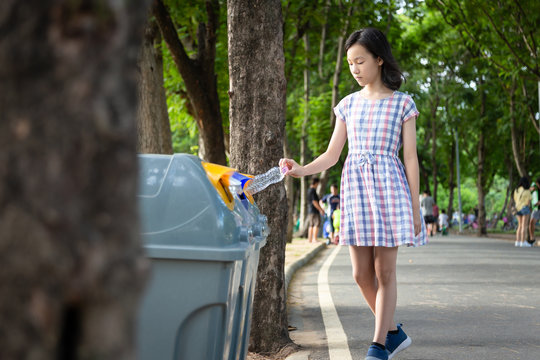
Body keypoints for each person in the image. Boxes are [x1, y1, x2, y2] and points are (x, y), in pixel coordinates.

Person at [280, 28, 427, 360]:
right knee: (360, 274)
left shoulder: (403, 103)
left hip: (390, 187)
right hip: (356, 189)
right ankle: (393, 332)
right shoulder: (347, 105)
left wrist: (416, 208)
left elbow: (410, 158)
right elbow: (332, 155)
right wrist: (300, 168)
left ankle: (378, 347)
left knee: (383, 271)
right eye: (350, 63)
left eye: (360, 60)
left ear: (379, 59)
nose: (355, 68)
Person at [513, 176, 532, 247]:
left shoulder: (516, 190)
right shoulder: (527, 191)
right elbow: (528, 202)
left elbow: (515, 199)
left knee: (519, 226)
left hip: (517, 208)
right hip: (525, 208)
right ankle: (523, 242)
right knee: (524, 226)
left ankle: (517, 241)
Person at [307, 177, 325, 243]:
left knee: (311, 224)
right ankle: (314, 239)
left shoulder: (309, 190)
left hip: (310, 210)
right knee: (316, 224)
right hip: (314, 210)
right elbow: (314, 202)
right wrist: (320, 209)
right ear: (316, 183)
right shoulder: (313, 190)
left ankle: (310, 239)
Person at [529, 177, 540, 244]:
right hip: (536, 208)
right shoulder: (535, 188)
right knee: (532, 222)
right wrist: (531, 188)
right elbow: (529, 191)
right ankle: (532, 238)